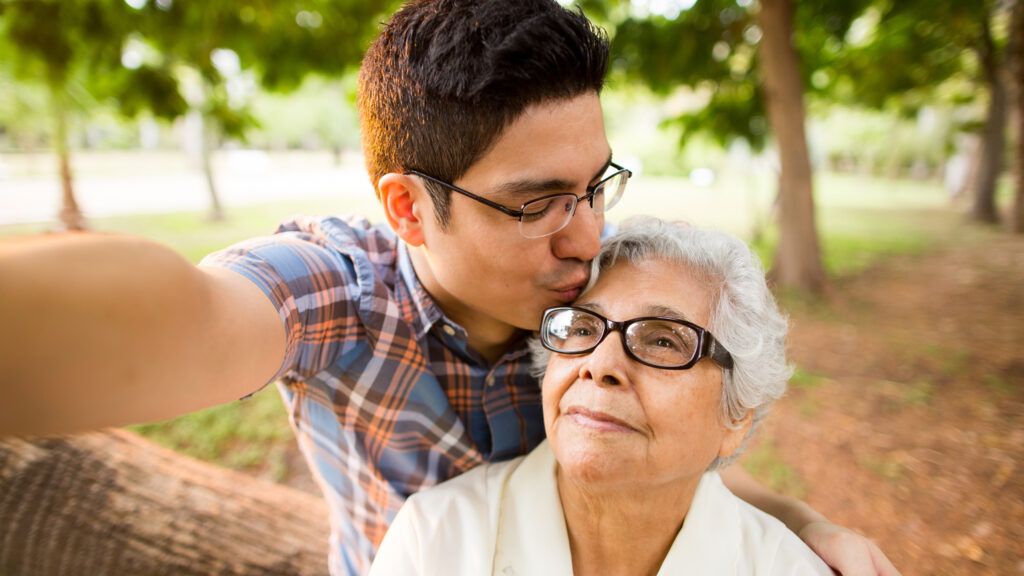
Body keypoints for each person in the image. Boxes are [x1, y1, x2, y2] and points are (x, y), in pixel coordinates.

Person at [0, 1, 897, 574]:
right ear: (409, 208)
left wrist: (804, 524)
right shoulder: (340, 294)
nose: (585, 236)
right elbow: (188, 319)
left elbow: (668, 437)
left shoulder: (596, 295)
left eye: (593, 185)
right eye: (535, 201)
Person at [370, 218, 834, 575]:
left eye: (663, 341)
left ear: (735, 418)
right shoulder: (433, 539)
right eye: (583, 328)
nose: (600, 363)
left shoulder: (784, 566)